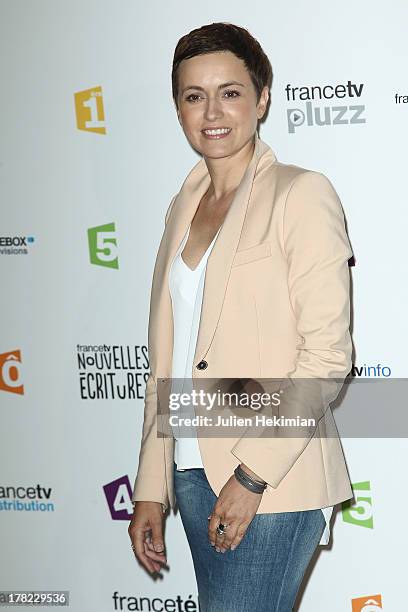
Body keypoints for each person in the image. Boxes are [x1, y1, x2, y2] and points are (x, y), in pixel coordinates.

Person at [128, 22, 354, 611]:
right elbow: (168, 366)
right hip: (191, 471)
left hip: (274, 477)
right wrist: (151, 484)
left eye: (230, 92)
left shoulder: (299, 194)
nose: (212, 112)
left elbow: (327, 356)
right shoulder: (180, 208)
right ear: (177, 107)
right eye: (193, 96)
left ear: (263, 97)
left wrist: (253, 473)